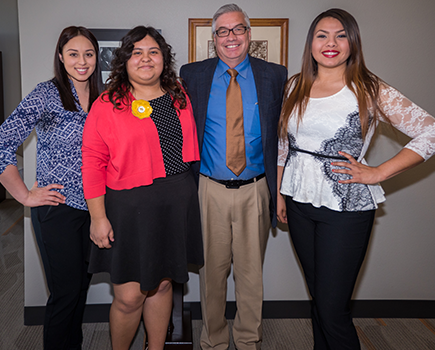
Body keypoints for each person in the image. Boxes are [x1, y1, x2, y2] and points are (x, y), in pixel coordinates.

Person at [277, 8, 435, 350]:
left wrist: (378, 172)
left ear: (353, 42)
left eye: (340, 35)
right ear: (311, 43)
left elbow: (430, 132)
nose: (330, 43)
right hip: (299, 201)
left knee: (333, 310)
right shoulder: (294, 85)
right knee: (319, 300)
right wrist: (279, 193)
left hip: (346, 206)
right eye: (322, 35)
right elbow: (283, 145)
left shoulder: (368, 88)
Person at [81, 26, 203, 350]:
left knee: (163, 285)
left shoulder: (178, 94)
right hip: (130, 208)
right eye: (137, 52)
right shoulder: (108, 103)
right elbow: (92, 162)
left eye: (153, 52)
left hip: (176, 203)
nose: (146, 59)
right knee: (129, 296)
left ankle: (156, 347)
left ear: (164, 59)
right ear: (124, 61)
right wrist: (97, 217)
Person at [180, 4, 287, 350]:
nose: (231, 37)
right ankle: (213, 341)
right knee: (211, 274)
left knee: (250, 275)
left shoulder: (275, 75)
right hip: (208, 189)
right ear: (214, 38)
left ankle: (247, 340)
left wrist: (281, 190)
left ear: (249, 34)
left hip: (256, 189)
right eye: (223, 31)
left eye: (238, 29)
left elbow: (284, 137)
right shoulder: (192, 75)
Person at [0, 26, 101, 349]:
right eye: (73, 53)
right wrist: (25, 195)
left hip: (96, 208)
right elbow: (3, 142)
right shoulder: (47, 93)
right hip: (58, 208)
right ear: (61, 56)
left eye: (88, 53)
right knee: (65, 294)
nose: (82, 61)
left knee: (81, 290)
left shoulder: (103, 96)